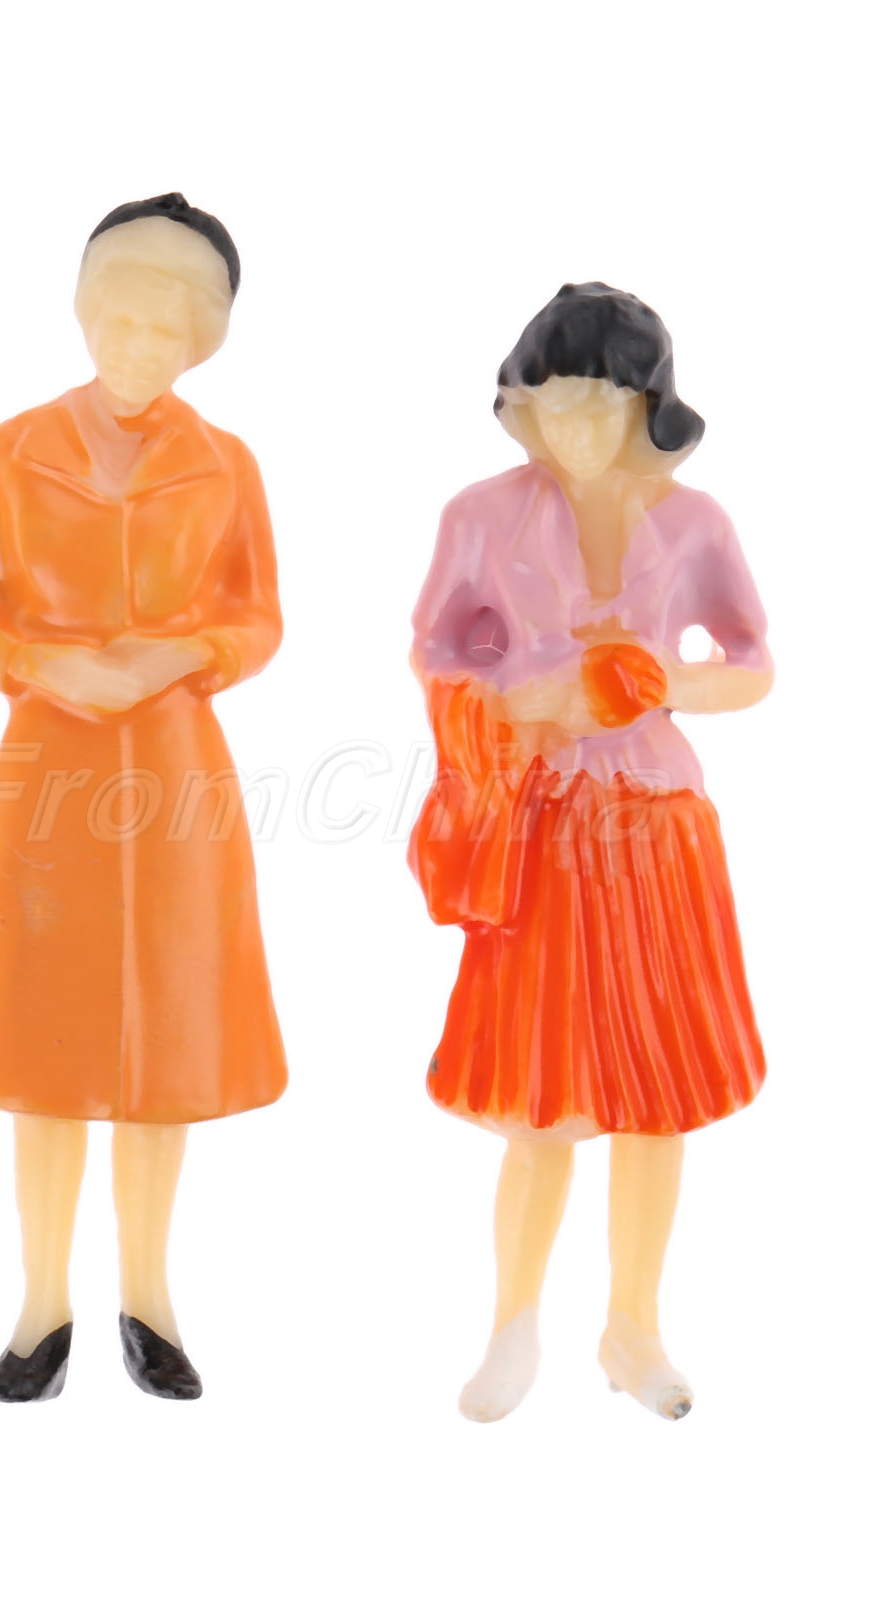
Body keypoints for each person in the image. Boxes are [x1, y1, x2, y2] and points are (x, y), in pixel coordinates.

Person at [0, 195, 287, 1402]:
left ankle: (149, 1296)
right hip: (51, 764)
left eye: (166, 332)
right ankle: (42, 1303)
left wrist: (188, 654)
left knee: (162, 1039)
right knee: (44, 1037)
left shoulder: (227, 466)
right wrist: (36, 663)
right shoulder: (9, 450)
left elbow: (257, 615)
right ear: (85, 316)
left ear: (200, 342)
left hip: (176, 771)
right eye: (120, 323)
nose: (138, 350)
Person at [409, 282, 772, 1421]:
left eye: (600, 406)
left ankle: (633, 1325)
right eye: (553, 403)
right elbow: (434, 653)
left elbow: (753, 662)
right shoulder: (480, 516)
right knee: (541, 1096)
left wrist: (672, 685)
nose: (573, 428)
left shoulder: (696, 523)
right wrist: (524, 701)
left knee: (658, 1095)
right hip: (544, 820)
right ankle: (512, 1323)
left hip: (657, 819)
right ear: (521, 404)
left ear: (644, 408)